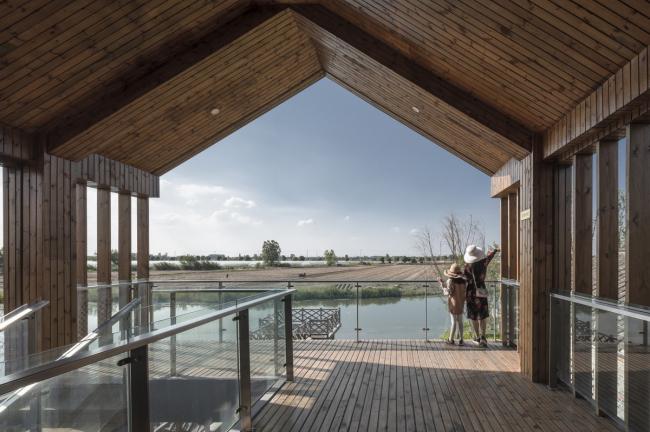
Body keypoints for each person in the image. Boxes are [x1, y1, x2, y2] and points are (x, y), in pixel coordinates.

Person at [463, 244, 498, 348]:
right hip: (481, 290)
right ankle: (483, 338)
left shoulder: (467, 266)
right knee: (482, 315)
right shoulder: (483, 263)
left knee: (473, 316)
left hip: (470, 292)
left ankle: (477, 337)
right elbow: (489, 256)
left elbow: (465, 279)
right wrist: (495, 250)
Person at [439, 263, 467, 345]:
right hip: (461, 303)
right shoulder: (464, 281)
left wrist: (442, 285)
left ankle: (451, 339)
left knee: (453, 321)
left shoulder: (450, 281)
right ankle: (461, 340)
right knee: (460, 321)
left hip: (453, 303)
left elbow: (448, 292)